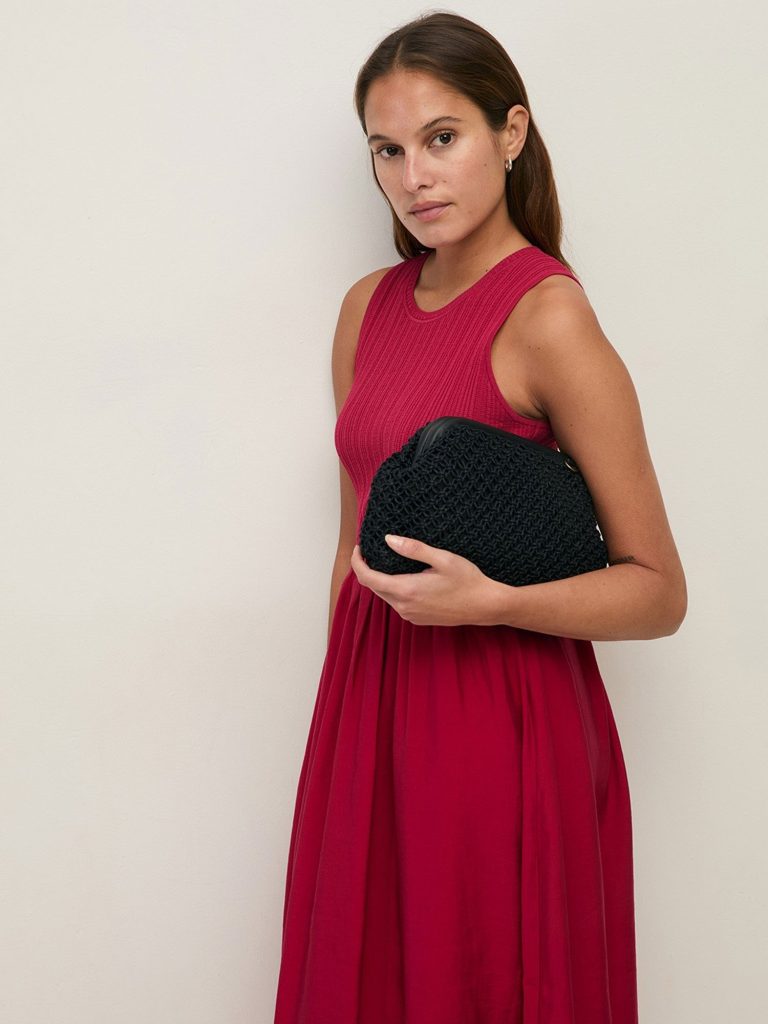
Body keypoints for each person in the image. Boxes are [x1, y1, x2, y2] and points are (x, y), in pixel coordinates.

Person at [273, 11, 687, 1024]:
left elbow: (658, 591)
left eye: (442, 137)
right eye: (388, 150)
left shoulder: (549, 317)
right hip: (371, 700)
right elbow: (352, 538)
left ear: (511, 132)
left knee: (481, 979)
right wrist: (343, 729)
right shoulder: (366, 308)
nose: (414, 177)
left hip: (498, 715)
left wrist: (494, 601)